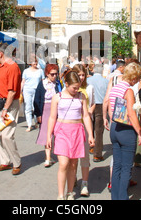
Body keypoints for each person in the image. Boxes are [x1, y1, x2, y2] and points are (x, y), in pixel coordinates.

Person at [47, 71, 95, 200]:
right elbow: (52, 117)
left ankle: (69, 192)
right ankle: (60, 195)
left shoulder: (81, 97)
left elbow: (85, 116)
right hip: (62, 131)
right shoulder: (57, 97)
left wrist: (90, 134)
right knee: (63, 163)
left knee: (73, 164)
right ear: (66, 84)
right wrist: (48, 136)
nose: (76, 89)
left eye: (78, 87)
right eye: (74, 87)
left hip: (77, 131)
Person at [108, 62, 141, 200]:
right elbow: (131, 113)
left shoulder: (115, 87)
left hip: (115, 128)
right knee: (126, 168)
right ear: (134, 78)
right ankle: (122, 197)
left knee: (117, 165)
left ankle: (115, 196)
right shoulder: (128, 91)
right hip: (126, 131)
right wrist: (139, 132)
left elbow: (110, 107)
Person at [0, 43, 22, 175]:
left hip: (8, 105)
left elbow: (12, 91)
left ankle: (17, 162)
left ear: (1, 53)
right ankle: (5, 161)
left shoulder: (12, 67)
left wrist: (5, 109)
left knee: (7, 135)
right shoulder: (2, 66)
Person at [72, 64, 95, 197]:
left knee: (85, 156)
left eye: (83, 75)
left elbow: (93, 103)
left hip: (85, 125)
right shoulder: (70, 89)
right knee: (73, 156)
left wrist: (89, 112)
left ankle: (84, 183)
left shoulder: (89, 88)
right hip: (73, 125)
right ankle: (73, 176)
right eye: (79, 75)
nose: (81, 77)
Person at [33, 64, 62, 167]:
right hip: (45, 109)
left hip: (57, 110)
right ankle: (48, 158)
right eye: (52, 74)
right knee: (47, 133)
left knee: (57, 133)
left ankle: (58, 155)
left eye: (56, 74)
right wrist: (38, 114)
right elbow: (37, 99)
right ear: (47, 74)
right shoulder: (42, 84)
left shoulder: (58, 84)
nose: (54, 76)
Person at [87, 64, 109, 162]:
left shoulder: (88, 80)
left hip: (90, 104)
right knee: (99, 130)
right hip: (100, 105)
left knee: (90, 127)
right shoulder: (106, 81)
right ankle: (97, 154)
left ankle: (91, 146)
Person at [21, 55, 45, 132]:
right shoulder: (26, 71)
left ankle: (36, 122)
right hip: (27, 90)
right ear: (30, 62)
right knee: (28, 107)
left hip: (37, 90)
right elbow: (23, 81)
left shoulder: (40, 71)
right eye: (34, 61)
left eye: (36, 61)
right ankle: (29, 125)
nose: (35, 63)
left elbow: (43, 81)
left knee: (36, 106)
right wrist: (20, 91)